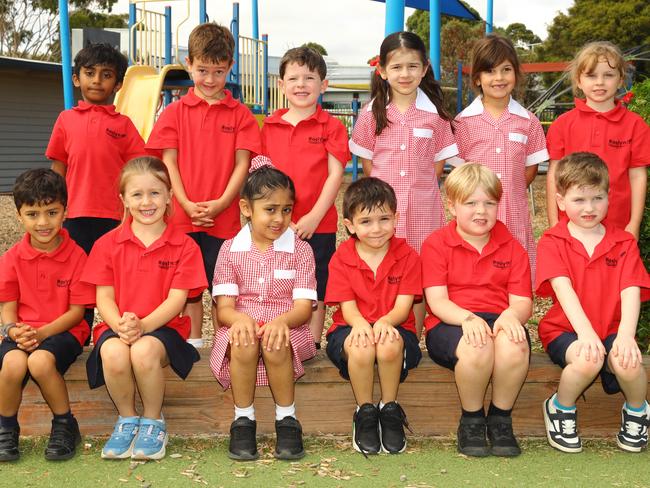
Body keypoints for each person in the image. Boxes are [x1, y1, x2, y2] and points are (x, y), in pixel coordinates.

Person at [82, 157, 207, 460]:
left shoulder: (184, 245)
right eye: (137, 194)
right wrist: (120, 326)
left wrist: (143, 327)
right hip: (119, 326)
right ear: (123, 200)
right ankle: (127, 419)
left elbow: (178, 301)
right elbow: (104, 298)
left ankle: (153, 420)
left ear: (169, 196)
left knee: (143, 351)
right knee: (112, 352)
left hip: (163, 330)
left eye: (155, 193)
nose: (146, 201)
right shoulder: (107, 244)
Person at [147, 23, 261, 347]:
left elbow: (244, 164)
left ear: (230, 68)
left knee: (221, 286)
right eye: (202, 70)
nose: (210, 79)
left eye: (218, 71)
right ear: (188, 63)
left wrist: (222, 203)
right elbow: (168, 162)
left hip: (223, 221)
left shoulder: (241, 115)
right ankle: (192, 342)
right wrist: (183, 203)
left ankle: (223, 343)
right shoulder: (173, 113)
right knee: (185, 286)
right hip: (182, 218)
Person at [537, 152, 650, 453]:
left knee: (628, 361)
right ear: (560, 201)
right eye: (579, 200)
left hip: (611, 327)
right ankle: (561, 407)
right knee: (588, 359)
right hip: (567, 329)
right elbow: (564, 291)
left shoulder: (624, 242)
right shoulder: (552, 240)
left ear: (609, 197)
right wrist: (586, 334)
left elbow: (631, 291)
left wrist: (626, 336)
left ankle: (638, 412)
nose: (589, 208)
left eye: (597, 198)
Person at [349, 30, 457, 335]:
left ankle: (414, 338)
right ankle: (386, 329)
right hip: (383, 214)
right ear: (382, 71)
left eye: (412, 66)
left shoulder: (435, 115)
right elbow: (370, 165)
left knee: (421, 272)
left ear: (424, 69)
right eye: (396, 67)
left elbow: (437, 167)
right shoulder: (372, 114)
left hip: (423, 210)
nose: (405, 74)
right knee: (387, 270)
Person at [422, 163, 532, 457]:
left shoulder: (512, 246)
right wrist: (467, 318)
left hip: (499, 317)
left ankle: (500, 419)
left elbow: (522, 301)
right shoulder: (436, 244)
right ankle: (471, 419)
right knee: (477, 345)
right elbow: (437, 301)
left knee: (515, 345)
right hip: (451, 321)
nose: (481, 211)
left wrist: (510, 316)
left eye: (489, 203)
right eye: (470, 203)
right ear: (452, 205)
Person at [210, 158, 317, 461]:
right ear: (246, 208)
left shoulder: (301, 250)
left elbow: (302, 309)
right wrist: (240, 320)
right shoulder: (230, 250)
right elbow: (225, 310)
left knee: (274, 339)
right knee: (243, 338)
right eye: (270, 210)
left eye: (286, 210)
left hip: (288, 327)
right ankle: (243, 419)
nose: (279, 219)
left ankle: (287, 418)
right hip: (241, 324)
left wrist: (281, 321)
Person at [0, 169, 94, 461]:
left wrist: (40, 334)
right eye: (33, 214)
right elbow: (8, 309)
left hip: (66, 330)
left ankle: (65, 423)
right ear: (19, 216)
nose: (43, 222)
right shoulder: (11, 259)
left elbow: (77, 313)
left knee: (40, 361)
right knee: (13, 362)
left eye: (51, 212)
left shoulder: (77, 255)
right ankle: (6, 428)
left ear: (65, 211)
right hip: (24, 331)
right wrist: (13, 331)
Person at [324, 177, 422, 456]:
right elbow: (347, 307)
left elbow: (403, 308)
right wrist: (360, 325)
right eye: (365, 222)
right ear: (350, 226)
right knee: (361, 345)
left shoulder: (408, 256)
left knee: (389, 344)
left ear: (396, 218)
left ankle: (389, 409)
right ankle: (365, 411)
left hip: (395, 326)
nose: (377, 229)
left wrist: (385, 322)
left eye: (384, 219)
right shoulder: (342, 257)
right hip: (350, 327)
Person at [261, 46, 350, 350]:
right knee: (277, 280)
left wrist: (312, 217)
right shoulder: (268, 126)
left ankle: (310, 344)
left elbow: (335, 175)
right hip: (275, 224)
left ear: (323, 85)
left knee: (316, 284)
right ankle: (278, 337)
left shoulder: (333, 127)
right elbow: (262, 176)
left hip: (318, 224)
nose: (301, 84)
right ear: (281, 85)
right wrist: (281, 219)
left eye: (309, 78)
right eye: (294, 78)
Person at [449, 34, 548, 275]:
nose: (499, 78)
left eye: (506, 69)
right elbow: (459, 173)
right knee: (476, 276)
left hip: (514, 215)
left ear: (516, 73)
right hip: (474, 217)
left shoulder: (528, 122)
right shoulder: (463, 123)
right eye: (490, 71)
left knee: (514, 279)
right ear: (478, 78)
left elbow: (530, 168)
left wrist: (508, 191)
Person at [47, 42, 148, 254]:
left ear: (118, 84)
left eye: (106, 75)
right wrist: (55, 207)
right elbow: (58, 168)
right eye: (90, 73)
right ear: (76, 79)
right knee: (76, 270)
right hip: (74, 213)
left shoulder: (124, 125)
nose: (96, 80)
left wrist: (135, 206)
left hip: (114, 215)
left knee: (108, 273)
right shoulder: (65, 119)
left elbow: (138, 170)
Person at [546, 41, 650, 239]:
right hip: (570, 227)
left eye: (608, 75)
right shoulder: (562, 125)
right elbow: (553, 176)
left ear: (620, 80)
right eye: (591, 75)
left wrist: (633, 224)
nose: (600, 82)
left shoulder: (636, 126)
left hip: (618, 226)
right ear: (578, 80)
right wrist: (554, 223)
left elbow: (638, 176)